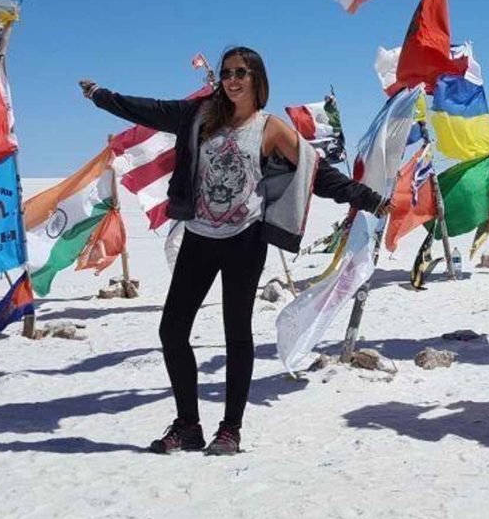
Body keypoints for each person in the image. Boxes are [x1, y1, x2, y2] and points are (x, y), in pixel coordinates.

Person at [80, 46, 387, 456]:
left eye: (241, 72)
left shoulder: (270, 129)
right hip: (199, 235)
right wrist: (102, 96)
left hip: (245, 239)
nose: (231, 79)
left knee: (235, 333)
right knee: (172, 329)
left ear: (257, 79)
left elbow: (317, 173)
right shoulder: (199, 116)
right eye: (226, 72)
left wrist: (367, 198)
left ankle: (230, 430)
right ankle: (188, 424)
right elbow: (148, 110)